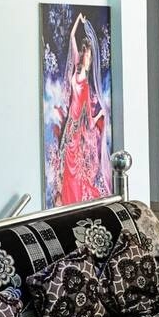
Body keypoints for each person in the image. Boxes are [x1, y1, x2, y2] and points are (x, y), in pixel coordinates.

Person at [56, 12, 109, 206]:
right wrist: (79, 20)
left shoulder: (86, 81)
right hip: (73, 123)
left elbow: (88, 116)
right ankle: (70, 199)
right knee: (70, 163)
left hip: (79, 125)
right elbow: (72, 37)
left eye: (89, 56)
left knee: (77, 165)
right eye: (87, 54)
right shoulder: (77, 65)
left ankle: (75, 198)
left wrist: (99, 114)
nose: (88, 58)